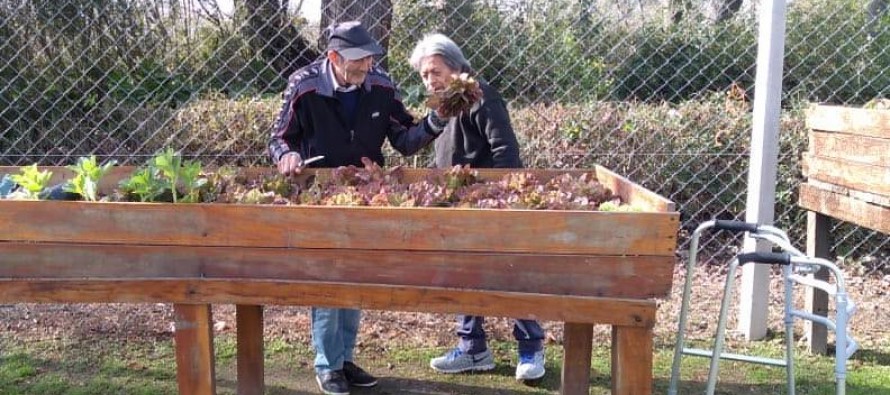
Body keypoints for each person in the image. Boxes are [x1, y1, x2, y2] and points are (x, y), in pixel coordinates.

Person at [268, 21, 447, 395]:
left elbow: (405, 140)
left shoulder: (380, 85)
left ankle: (344, 360)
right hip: (319, 196)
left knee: (354, 278)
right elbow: (279, 138)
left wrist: (436, 122)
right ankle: (328, 365)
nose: (368, 65)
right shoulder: (304, 85)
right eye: (359, 59)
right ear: (334, 57)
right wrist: (287, 156)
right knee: (328, 279)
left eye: (370, 57)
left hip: (366, 195)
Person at [408, 33, 547, 381]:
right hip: (456, 204)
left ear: (456, 67)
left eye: (435, 71)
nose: (430, 79)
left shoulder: (482, 98)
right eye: (425, 75)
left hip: (489, 204)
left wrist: (495, 200)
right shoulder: (441, 106)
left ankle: (531, 347)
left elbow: (506, 153)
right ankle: (473, 350)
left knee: (505, 273)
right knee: (463, 272)